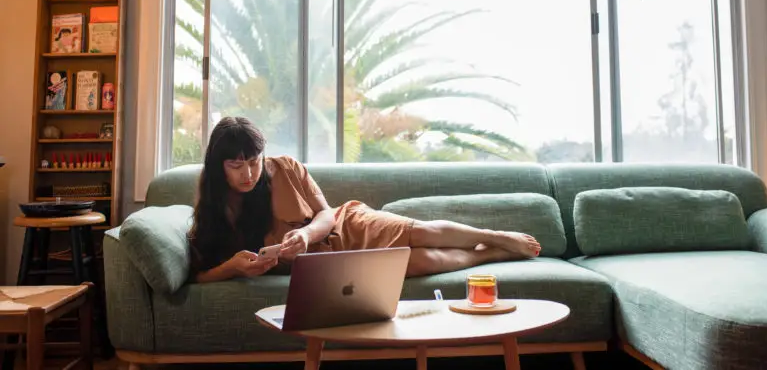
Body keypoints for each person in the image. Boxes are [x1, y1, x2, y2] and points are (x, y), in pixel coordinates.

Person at [188, 117, 541, 283]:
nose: (248, 173)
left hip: (346, 226)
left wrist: (306, 235)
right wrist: (235, 266)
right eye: (237, 166)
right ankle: (490, 255)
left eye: (254, 162)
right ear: (220, 167)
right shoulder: (213, 207)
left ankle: (494, 237)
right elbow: (199, 275)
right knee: (418, 264)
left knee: (422, 233)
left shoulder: (285, 168)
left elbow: (325, 214)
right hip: (324, 266)